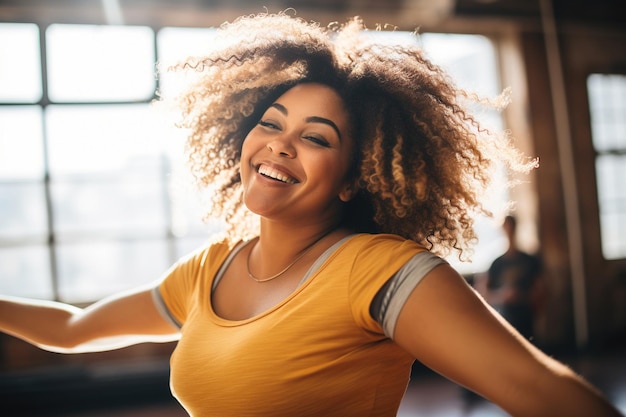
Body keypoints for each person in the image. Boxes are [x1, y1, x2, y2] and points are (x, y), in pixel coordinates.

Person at [0, 12, 622, 417]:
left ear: (355, 177)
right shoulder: (211, 269)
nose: (279, 144)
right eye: (270, 125)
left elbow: (544, 395)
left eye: (316, 137)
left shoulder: (379, 270)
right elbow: (73, 329)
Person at [487, 215, 543, 340]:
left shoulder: (529, 261)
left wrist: (522, 297)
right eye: (507, 226)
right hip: (504, 319)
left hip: (525, 317)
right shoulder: (496, 264)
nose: (509, 230)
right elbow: (484, 294)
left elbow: (540, 292)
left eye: (511, 226)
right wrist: (502, 296)